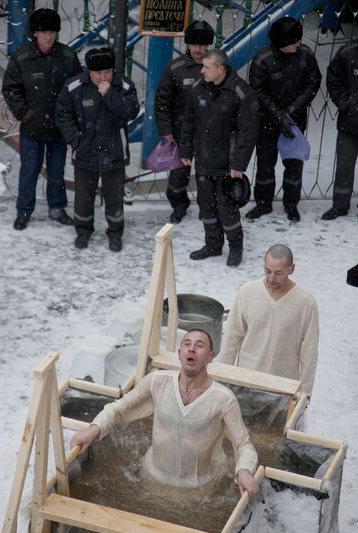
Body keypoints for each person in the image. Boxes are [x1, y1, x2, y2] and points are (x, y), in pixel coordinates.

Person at [71, 328, 259, 498]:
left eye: (199, 345)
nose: (191, 349)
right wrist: (93, 430)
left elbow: (243, 444)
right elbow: (119, 409)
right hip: (151, 479)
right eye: (187, 344)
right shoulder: (157, 382)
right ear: (179, 353)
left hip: (200, 490)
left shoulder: (223, 399)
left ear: (210, 357)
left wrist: (243, 470)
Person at [2, 8, 82, 230]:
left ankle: (57, 208)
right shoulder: (22, 57)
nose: (49, 36)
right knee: (29, 170)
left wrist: (71, 117)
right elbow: (10, 88)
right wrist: (24, 113)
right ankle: (23, 211)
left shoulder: (67, 56)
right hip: (32, 127)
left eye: (52, 31)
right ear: (35, 33)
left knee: (57, 170)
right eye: (44, 31)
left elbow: (78, 88)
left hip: (59, 127)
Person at [180, 49, 259, 267]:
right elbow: (188, 122)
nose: (202, 70)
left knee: (227, 207)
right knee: (206, 205)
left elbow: (248, 131)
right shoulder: (198, 88)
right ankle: (213, 244)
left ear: (220, 69)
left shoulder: (240, 92)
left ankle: (235, 246)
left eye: (206, 67)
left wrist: (238, 164)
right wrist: (186, 151)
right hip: (204, 161)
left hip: (227, 165)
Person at [56, 47, 139, 251]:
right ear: (89, 72)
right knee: (83, 197)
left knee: (114, 198)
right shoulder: (74, 86)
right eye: (99, 73)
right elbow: (62, 114)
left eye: (108, 72)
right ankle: (83, 231)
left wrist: (110, 94)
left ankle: (115, 233)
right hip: (85, 152)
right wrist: (76, 140)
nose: (104, 77)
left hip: (115, 153)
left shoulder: (123, 85)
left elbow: (131, 111)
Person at [247, 17, 321, 222]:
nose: (298, 44)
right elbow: (258, 92)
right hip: (267, 121)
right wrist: (279, 116)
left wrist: (294, 109)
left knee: (294, 164)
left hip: (295, 120)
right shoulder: (263, 60)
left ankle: (291, 204)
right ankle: (263, 203)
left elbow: (313, 82)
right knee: (265, 165)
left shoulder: (305, 54)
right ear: (282, 42)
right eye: (293, 41)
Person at [218, 244, 319, 395]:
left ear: (291, 269)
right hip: (246, 380)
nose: (272, 278)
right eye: (268, 271)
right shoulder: (247, 293)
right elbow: (232, 337)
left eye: (278, 273)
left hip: (283, 386)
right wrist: (222, 379)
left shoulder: (305, 303)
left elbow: (309, 351)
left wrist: (305, 393)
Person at [154, 20, 214, 224]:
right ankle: (179, 205)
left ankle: (207, 207)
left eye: (202, 44)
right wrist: (166, 129)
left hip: (209, 132)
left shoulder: (217, 67)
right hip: (181, 133)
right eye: (194, 44)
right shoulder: (176, 69)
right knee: (179, 174)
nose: (198, 49)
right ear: (188, 44)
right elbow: (162, 101)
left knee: (207, 174)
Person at [321, 40, 358, 220]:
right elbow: (333, 79)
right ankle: (340, 205)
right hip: (349, 124)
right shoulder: (347, 52)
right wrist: (346, 103)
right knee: (344, 167)